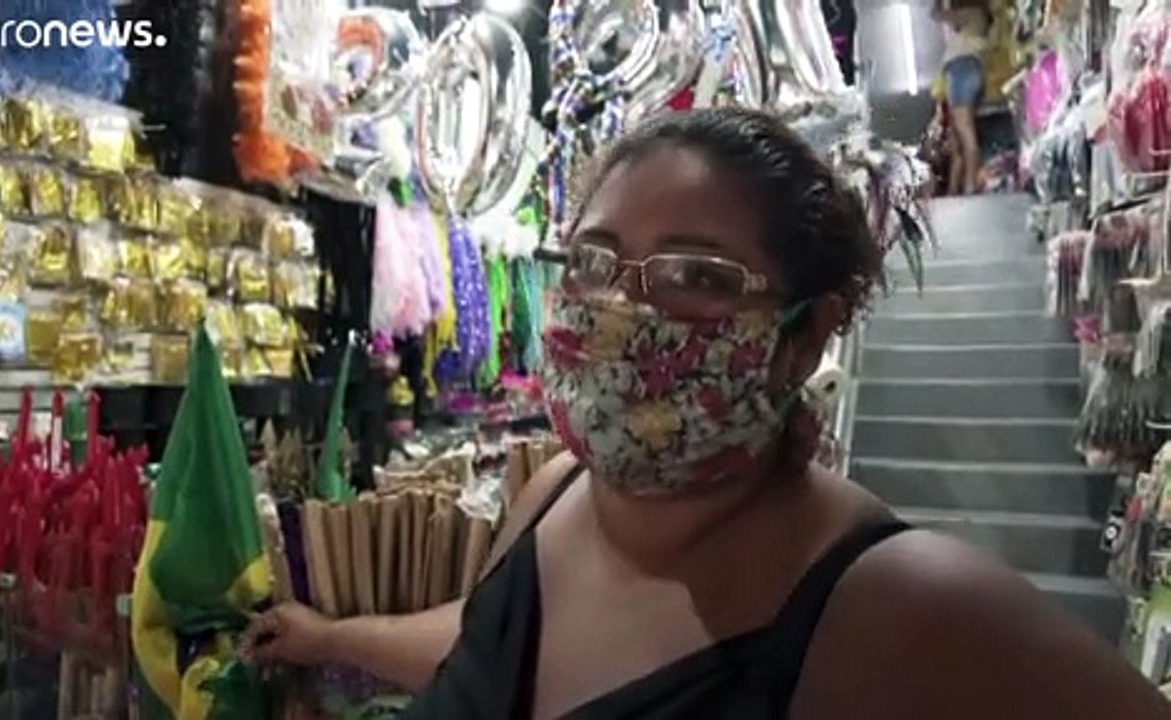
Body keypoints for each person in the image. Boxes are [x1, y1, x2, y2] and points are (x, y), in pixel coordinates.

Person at [243, 108, 1169, 719]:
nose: (621, 310)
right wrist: (330, 638)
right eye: (598, 263)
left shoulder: (897, 604)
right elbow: (487, 642)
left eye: (696, 277)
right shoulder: (556, 497)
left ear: (804, 340)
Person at [933, 0, 991, 195]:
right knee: (962, 134)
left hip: (961, 70)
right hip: (969, 69)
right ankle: (964, 185)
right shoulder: (979, 16)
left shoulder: (972, 12)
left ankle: (970, 185)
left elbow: (937, 15)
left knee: (965, 132)